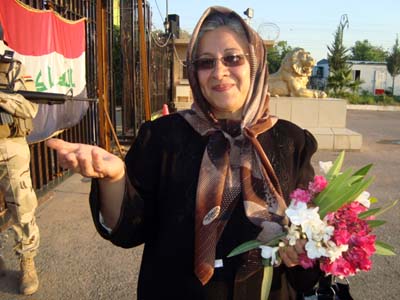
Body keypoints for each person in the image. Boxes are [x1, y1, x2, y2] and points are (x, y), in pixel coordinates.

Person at [47, 6, 322, 300]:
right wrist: (114, 178)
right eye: (206, 62)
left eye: (233, 58)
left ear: (255, 63)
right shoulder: (161, 137)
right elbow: (129, 231)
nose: (219, 72)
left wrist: (303, 249)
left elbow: (309, 259)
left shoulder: (292, 141)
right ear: (193, 71)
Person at [0, 30, 40, 295]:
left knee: (21, 207)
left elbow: (30, 107)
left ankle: (27, 262)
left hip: (9, 147)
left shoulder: (13, 65)